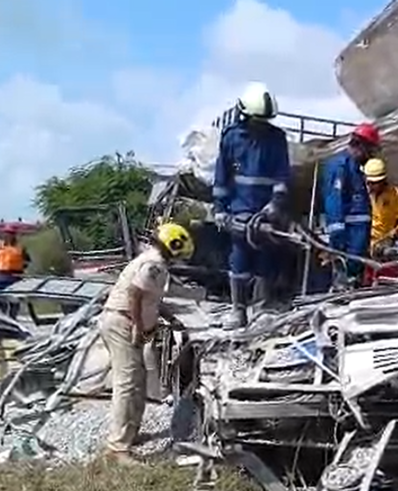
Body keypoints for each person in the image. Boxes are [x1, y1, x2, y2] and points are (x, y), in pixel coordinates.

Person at [98, 222, 193, 465]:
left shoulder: (151, 260)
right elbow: (134, 294)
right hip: (123, 322)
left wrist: (168, 317)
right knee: (127, 383)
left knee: (137, 380)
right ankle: (117, 449)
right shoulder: (154, 265)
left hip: (123, 320)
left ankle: (129, 434)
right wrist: (139, 328)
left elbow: (150, 299)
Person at [212, 82, 291, 329]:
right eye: (257, 121)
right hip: (238, 210)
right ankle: (238, 311)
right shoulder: (232, 138)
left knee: (266, 259)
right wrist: (220, 209)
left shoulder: (277, 139)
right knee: (239, 260)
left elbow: (282, 177)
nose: (261, 126)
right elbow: (222, 178)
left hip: (266, 211)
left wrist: (275, 205)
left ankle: (262, 307)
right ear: (244, 115)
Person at [321, 123, 381, 288]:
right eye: (371, 150)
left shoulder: (357, 170)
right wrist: (338, 242)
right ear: (361, 146)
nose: (371, 155)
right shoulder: (340, 167)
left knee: (354, 284)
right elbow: (334, 203)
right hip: (347, 245)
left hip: (358, 246)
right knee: (344, 286)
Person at [0, 230, 30, 318]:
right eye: (6, 235)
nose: (8, 237)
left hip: (16, 275)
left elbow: (27, 261)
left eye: (11, 235)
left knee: (14, 298)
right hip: (2, 274)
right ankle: (1, 313)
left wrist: (21, 266)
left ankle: (12, 316)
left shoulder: (20, 248)